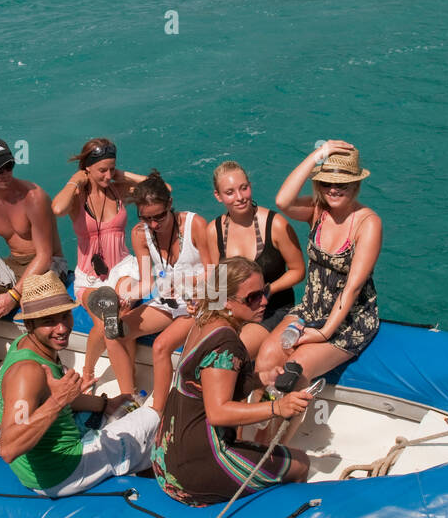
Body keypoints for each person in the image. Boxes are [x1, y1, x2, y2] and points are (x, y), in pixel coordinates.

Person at [151, 257, 312, 506]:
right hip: (195, 469)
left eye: (264, 292)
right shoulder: (226, 342)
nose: (265, 302)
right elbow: (218, 412)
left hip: (166, 459)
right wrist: (278, 408)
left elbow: (204, 382)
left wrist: (259, 379)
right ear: (226, 300)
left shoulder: (204, 321)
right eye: (253, 297)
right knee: (301, 463)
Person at [0, 272, 159, 498]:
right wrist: (58, 401)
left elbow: (52, 395)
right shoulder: (28, 373)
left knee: (124, 412)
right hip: (61, 473)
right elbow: (8, 447)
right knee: (154, 420)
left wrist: (105, 404)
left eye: (65, 316)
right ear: (29, 323)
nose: (62, 328)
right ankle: (156, 496)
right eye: (49, 321)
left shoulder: (27, 345)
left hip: (44, 460)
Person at [257, 141, 383, 387]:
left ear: (355, 184)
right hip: (310, 310)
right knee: (265, 359)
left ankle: (281, 422)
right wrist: (318, 154)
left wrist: (324, 332)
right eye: (326, 183)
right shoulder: (317, 211)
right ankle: (261, 421)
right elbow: (283, 201)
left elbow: (353, 288)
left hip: (348, 320)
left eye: (342, 184)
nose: (333, 190)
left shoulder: (367, 223)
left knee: (294, 373)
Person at [91, 172, 211, 413]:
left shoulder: (194, 224)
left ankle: (158, 412)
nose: (154, 224)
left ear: (169, 205)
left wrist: (187, 282)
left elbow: (216, 271)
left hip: (198, 303)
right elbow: (147, 281)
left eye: (160, 216)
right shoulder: (140, 234)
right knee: (114, 332)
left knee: (160, 346)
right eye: (147, 219)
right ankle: (129, 397)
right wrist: (130, 296)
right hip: (167, 301)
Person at [50, 138, 148, 387]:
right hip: (89, 277)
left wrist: (123, 175)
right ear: (87, 169)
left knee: (122, 315)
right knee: (107, 322)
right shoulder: (76, 198)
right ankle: (89, 369)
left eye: (111, 169)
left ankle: (130, 373)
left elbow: (161, 189)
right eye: (102, 170)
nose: (108, 175)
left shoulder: (117, 191)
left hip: (122, 268)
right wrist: (76, 180)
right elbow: (57, 208)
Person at [0, 138, 71, 322]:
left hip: (48, 265)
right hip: (14, 264)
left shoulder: (34, 197)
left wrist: (14, 295)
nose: (5, 174)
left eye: (9, 166)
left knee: (28, 305)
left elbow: (45, 256)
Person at [206, 161, 305, 331]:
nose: (239, 197)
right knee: (204, 337)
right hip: (235, 311)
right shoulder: (214, 230)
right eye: (229, 192)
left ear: (250, 186)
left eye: (244, 188)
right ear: (218, 196)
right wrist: (202, 305)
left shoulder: (275, 225)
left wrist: (267, 290)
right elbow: (217, 280)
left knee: (239, 344)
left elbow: (298, 271)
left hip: (273, 309)